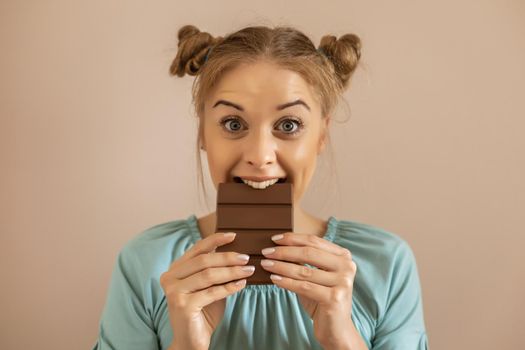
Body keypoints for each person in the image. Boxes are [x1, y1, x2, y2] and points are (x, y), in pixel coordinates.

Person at [92, 24, 429, 350]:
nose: (259, 156)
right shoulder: (147, 264)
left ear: (322, 134)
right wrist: (187, 346)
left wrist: (342, 340)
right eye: (233, 124)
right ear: (202, 134)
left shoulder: (386, 264)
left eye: (288, 124)